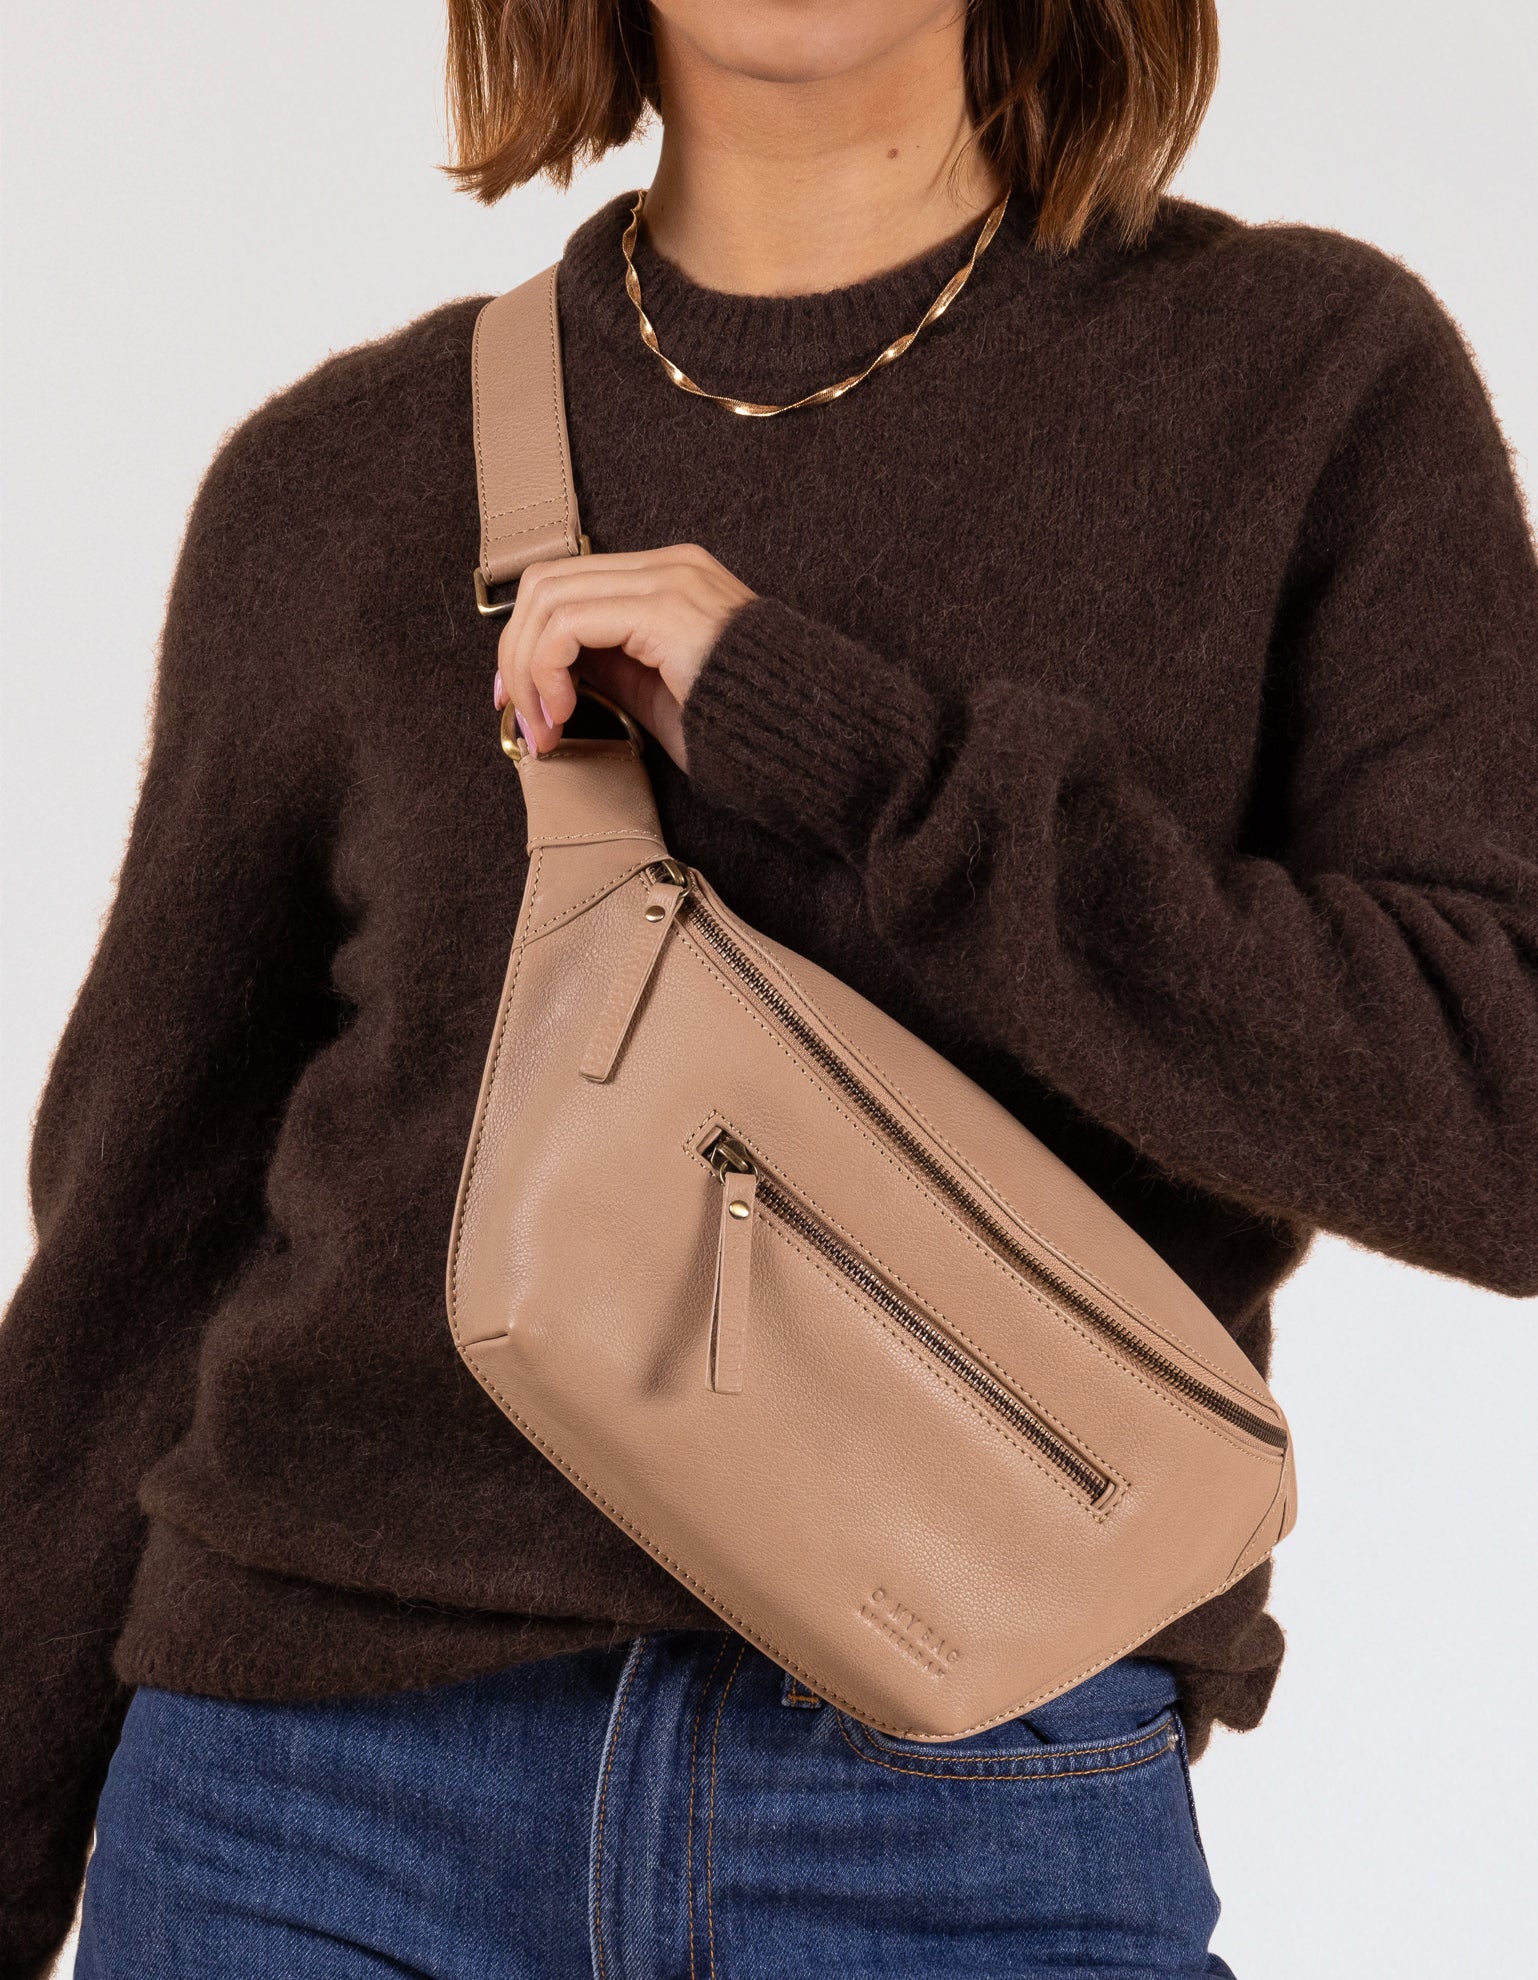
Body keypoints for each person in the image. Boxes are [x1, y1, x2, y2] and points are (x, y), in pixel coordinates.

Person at [4, 2, 1535, 1974]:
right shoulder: (338, 485)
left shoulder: (1301, 385)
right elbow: (140, 1255)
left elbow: (1494, 1109)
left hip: (961, 1778)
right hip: (309, 1802)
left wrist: (851, 754)